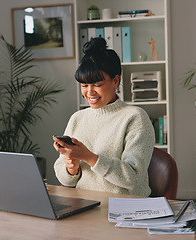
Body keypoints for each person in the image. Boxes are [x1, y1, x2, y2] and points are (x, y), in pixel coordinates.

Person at [53, 38, 155, 196]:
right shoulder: (77, 118)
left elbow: (132, 177)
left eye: (97, 85)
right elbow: (65, 181)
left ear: (115, 81)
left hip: (126, 210)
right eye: (84, 85)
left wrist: (88, 157)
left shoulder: (135, 117)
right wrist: (71, 168)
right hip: (85, 205)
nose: (90, 92)